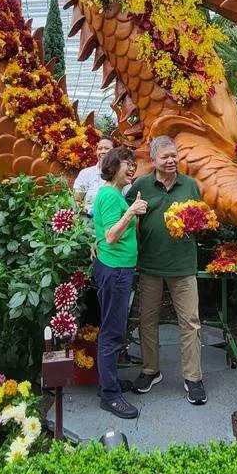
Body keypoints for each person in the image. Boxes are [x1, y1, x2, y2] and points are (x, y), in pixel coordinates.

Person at [126, 136, 207, 405]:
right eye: (165, 157)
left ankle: (193, 378)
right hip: (150, 265)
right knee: (147, 322)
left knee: (190, 322)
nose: (171, 161)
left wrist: (196, 224)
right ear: (154, 160)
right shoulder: (141, 186)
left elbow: (202, 219)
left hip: (183, 266)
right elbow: (124, 217)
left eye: (174, 155)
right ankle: (150, 371)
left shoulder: (191, 186)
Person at [91, 145, 146, 419]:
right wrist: (132, 211)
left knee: (113, 329)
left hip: (115, 268)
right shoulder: (112, 196)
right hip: (115, 271)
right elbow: (112, 236)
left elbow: (101, 231)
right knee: (112, 332)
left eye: (133, 162)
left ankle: (108, 382)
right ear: (113, 166)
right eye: (127, 162)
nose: (132, 167)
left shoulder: (111, 194)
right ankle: (109, 395)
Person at [74, 137, 115, 215]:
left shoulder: (120, 174)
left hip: (112, 223)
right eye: (100, 149)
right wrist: (89, 212)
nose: (103, 151)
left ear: (115, 151)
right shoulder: (86, 173)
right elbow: (76, 201)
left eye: (107, 148)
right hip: (87, 223)